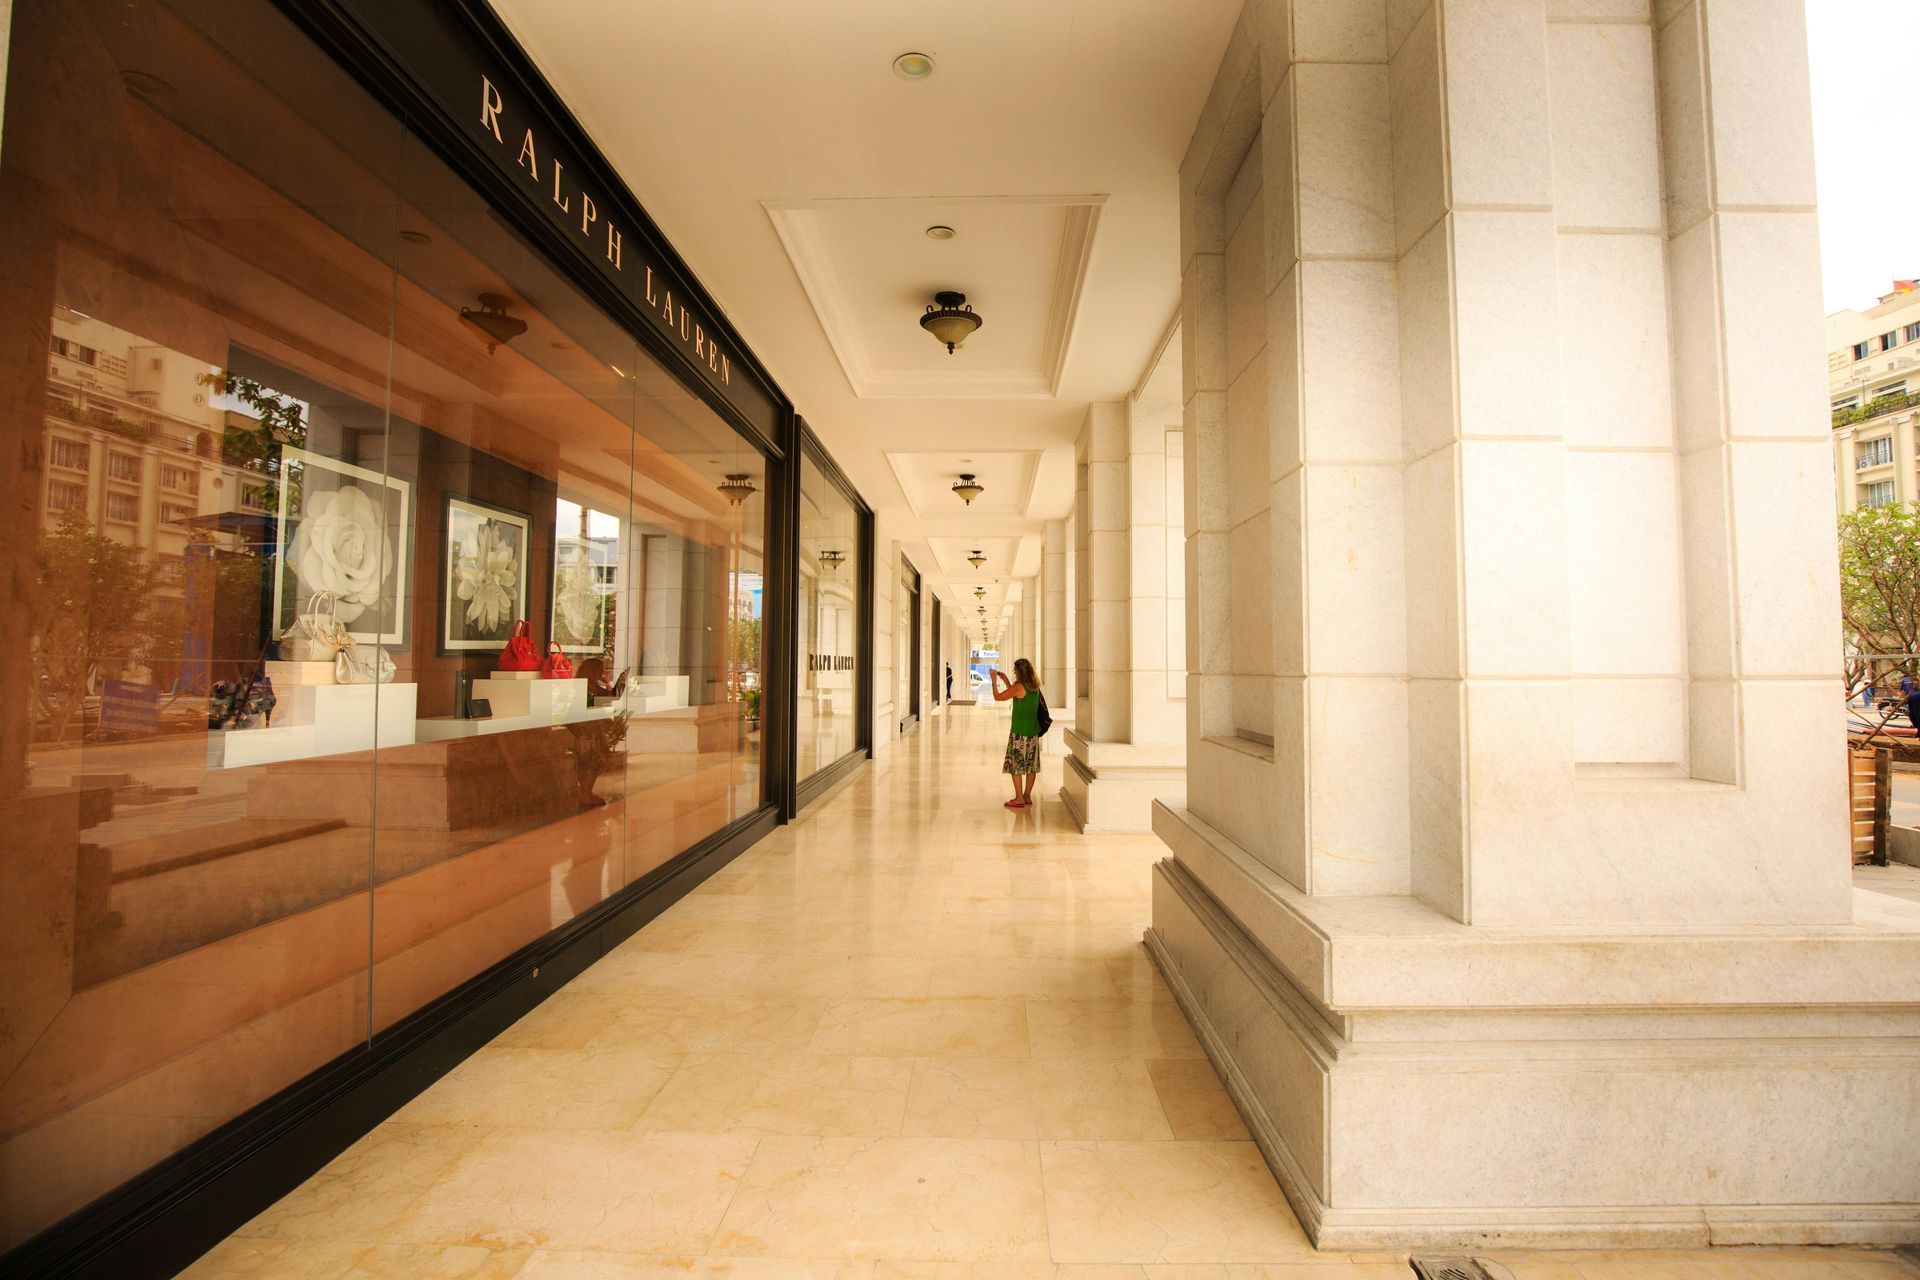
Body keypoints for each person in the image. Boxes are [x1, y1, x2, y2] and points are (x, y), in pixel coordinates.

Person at [991, 658, 1042, 808]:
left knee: (1016, 765)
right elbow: (1016, 694)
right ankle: (1026, 796)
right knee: (1031, 766)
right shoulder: (1034, 687)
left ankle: (1019, 798)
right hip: (1033, 733)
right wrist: (1006, 679)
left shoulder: (1019, 686)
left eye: (1014, 671)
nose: (1014, 673)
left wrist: (994, 681)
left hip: (1019, 733)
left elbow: (998, 697)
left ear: (1019, 671)